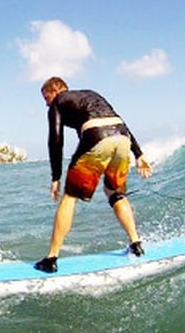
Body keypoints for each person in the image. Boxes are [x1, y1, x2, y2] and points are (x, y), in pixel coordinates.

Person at [35, 76, 153, 273]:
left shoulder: (58, 101)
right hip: (122, 137)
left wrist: (55, 177)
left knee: (70, 196)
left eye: (46, 98)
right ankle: (135, 243)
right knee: (115, 193)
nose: (46, 103)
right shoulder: (91, 95)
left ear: (55, 91)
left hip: (96, 135)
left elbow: (55, 139)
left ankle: (51, 258)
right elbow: (119, 121)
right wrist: (138, 154)